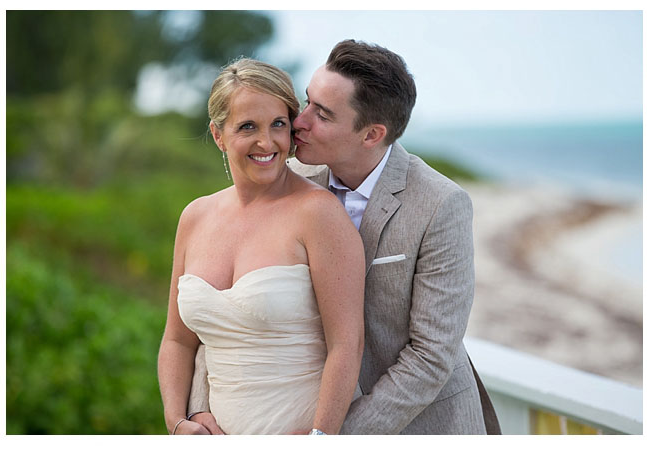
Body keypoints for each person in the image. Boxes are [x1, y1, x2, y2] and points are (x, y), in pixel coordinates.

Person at [188, 40, 501, 435]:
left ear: (371, 135)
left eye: (322, 114)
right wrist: (197, 410)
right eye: (307, 102)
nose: (299, 122)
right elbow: (227, 308)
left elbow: (430, 356)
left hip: (420, 430)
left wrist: (329, 437)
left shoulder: (441, 205)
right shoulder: (288, 181)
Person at [157, 58, 366, 435]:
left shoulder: (319, 214)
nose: (266, 142)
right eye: (247, 126)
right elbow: (176, 340)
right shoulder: (195, 217)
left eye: (278, 125)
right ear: (218, 134)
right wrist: (177, 422)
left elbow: (347, 346)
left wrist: (319, 440)